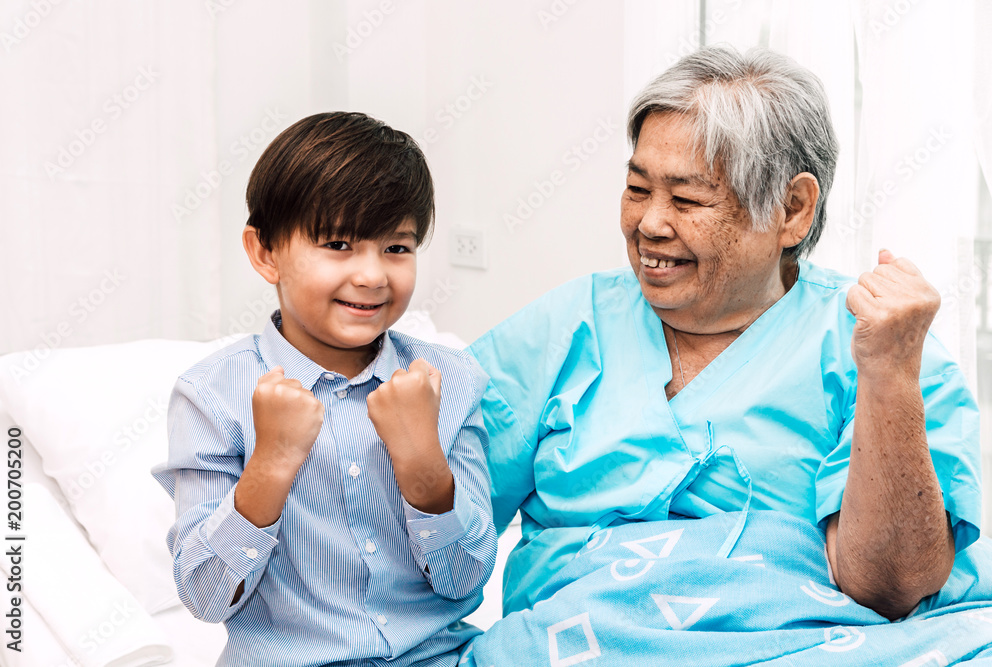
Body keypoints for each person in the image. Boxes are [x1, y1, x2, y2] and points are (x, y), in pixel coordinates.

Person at [467, 46, 980, 623]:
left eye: (687, 199)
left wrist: (888, 376)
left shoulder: (880, 347)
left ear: (792, 209)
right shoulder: (564, 328)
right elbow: (434, 530)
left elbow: (890, 587)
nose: (649, 224)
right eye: (637, 189)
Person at [152, 112, 496, 667]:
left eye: (397, 248)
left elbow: (464, 579)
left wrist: (423, 464)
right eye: (338, 243)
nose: (373, 276)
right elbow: (206, 596)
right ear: (265, 252)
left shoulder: (450, 379)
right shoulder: (211, 395)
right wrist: (271, 464)